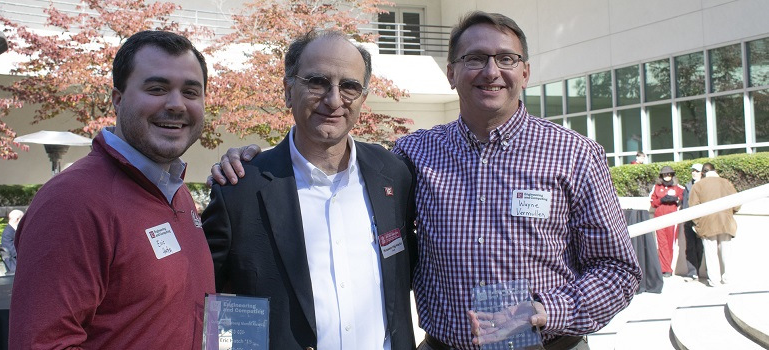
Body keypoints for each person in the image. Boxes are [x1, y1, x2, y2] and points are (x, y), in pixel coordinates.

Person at [211, 12, 641, 350]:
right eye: (475, 58)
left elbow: (619, 271)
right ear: (451, 73)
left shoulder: (575, 154)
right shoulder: (412, 157)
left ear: (524, 73)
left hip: (548, 346)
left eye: (506, 59)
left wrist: (546, 311)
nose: (491, 71)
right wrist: (252, 162)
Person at [201, 30, 417, 350]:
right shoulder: (240, 190)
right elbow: (200, 299)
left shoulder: (394, 175)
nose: (334, 100)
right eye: (317, 82)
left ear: (362, 99)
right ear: (288, 92)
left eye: (349, 86)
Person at [9, 31, 215, 349]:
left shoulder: (175, 191)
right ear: (117, 99)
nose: (176, 104)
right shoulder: (71, 201)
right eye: (157, 89)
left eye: (190, 92)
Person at [689, 163, 739, 287]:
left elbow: (693, 207)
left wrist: (698, 223)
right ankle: (727, 278)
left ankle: (714, 280)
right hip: (726, 222)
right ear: (715, 170)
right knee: (726, 252)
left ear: (702, 173)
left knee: (710, 253)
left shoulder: (698, 185)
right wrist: (729, 213)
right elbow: (737, 203)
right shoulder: (726, 182)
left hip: (707, 223)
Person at [649, 166, 684, 277]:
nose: (667, 176)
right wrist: (661, 200)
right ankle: (665, 269)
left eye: (669, 174)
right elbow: (652, 202)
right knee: (662, 243)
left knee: (670, 243)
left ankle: (668, 268)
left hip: (672, 218)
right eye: (665, 174)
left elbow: (683, 197)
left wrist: (676, 199)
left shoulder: (678, 187)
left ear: (672, 175)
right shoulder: (656, 187)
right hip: (659, 217)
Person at [681, 164, 704, 280]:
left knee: (700, 247)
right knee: (690, 247)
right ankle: (692, 272)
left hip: (701, 221)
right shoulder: (688, 186)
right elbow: (684, 203)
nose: (694, 173)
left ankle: (698, 271)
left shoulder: (704, 185)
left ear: (702, 173)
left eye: (697, 171)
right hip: (689, 221)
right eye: (693, 171)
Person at [0, 209, 23, 274]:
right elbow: (13, 252)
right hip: (15, 264)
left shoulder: (13, 231)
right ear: (17, 219)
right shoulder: (8, 233)